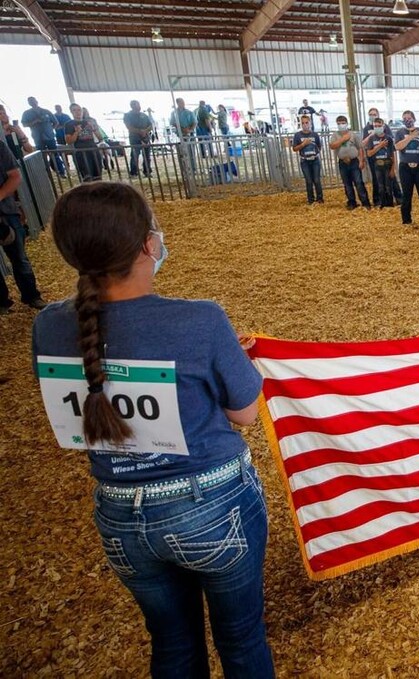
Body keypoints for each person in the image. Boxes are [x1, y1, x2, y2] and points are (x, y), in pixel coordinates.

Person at [31, 181, 275, 677]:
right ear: (148, 245)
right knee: (242, 636)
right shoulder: (200, 319)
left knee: (171, 642)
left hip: (119, 514)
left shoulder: (50, 325)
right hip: (212, 502)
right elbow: (245, 412)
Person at [0, 141, 46, 314]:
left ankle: (31, 296)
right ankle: (2, 302)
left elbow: (15, 176)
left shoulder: (0, 147)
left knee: (19, 257)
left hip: (6, 211)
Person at [329, 114, 372, 211]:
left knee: (359, 182)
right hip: (343, 162)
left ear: (347, 123)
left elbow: (360, 147)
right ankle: (352, 202)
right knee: (347, 184)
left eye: (343, 123)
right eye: (339, 123)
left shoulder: (353, 135)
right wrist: (343, 139)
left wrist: (361, 160)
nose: (341, 125)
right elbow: (332, 146)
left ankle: (365, 202)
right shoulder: (335, 135)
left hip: (354, 161)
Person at [395, 111, 419, 226]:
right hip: (405, 167)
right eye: (404, 118)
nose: (407, 120)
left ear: (414, 119)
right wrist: (410, 137)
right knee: (406, 194)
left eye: (409, 118)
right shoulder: (400, 132)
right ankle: (406, 220)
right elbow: (398, 146)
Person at [20, 96, 63, 175]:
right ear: (28, 103)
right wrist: (34, 122)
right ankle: (47, 173)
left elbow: (56, 122)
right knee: (42, 156)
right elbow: (24, 124)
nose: (32, 102)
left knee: (55, 154)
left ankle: (61, 172)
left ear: (36, 101)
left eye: (33, 100)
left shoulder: (46, 111)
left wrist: (51, 129)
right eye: (30, 101)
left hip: (49, 137)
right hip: (37, 138)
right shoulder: (26, 113)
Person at [64, 103, 105, 182]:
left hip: (93, 150)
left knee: (98, 175)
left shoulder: (89, 122)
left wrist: (94, 129)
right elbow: (68, 141)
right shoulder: (69, 124)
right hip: (81, 152)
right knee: (87, 176)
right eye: (74, 110)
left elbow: (100, 137)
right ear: (71, 112)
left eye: (79, 110)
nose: (77, 112)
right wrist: (76, 132)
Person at [291, 114, 323, 205]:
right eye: (303, 123)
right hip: (304, 160)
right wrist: (303, 144)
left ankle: (320, 198)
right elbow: (294, 149)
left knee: (316, 180)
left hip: (315, 160)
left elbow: (319, 146)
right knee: (308, 180)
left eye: (306, 122)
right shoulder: (297, 135)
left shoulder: (315, 134)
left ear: (310, 123)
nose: (305, 124)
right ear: (301, 124)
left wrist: (314, 152)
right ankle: (311, 199)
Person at [366, 117, 397, 208]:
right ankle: (382, 203)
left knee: (388, 185)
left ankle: (390, 203)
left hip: (387, 163)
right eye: (375, 126)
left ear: (383, 126)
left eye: (379, 126)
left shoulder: (389, 138)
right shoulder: (371, 139)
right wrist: (380, 145)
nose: (377, 127)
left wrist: (393, 169)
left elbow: (392, 154)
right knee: (380, 186)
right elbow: (369, 153)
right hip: (377, 164)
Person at [123, 100, 154, 179]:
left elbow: (150, 125)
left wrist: (145, 131)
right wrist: (140, 131)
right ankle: (134, 173)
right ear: (132, 106)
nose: (139, 106)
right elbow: (129, 127)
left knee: (147, 155)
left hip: (145, 137)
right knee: (135, 155)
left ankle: (147, 171)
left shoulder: (144, 115)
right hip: (134, 138)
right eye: (137, 105)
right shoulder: (127, 115)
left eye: (139, 104)